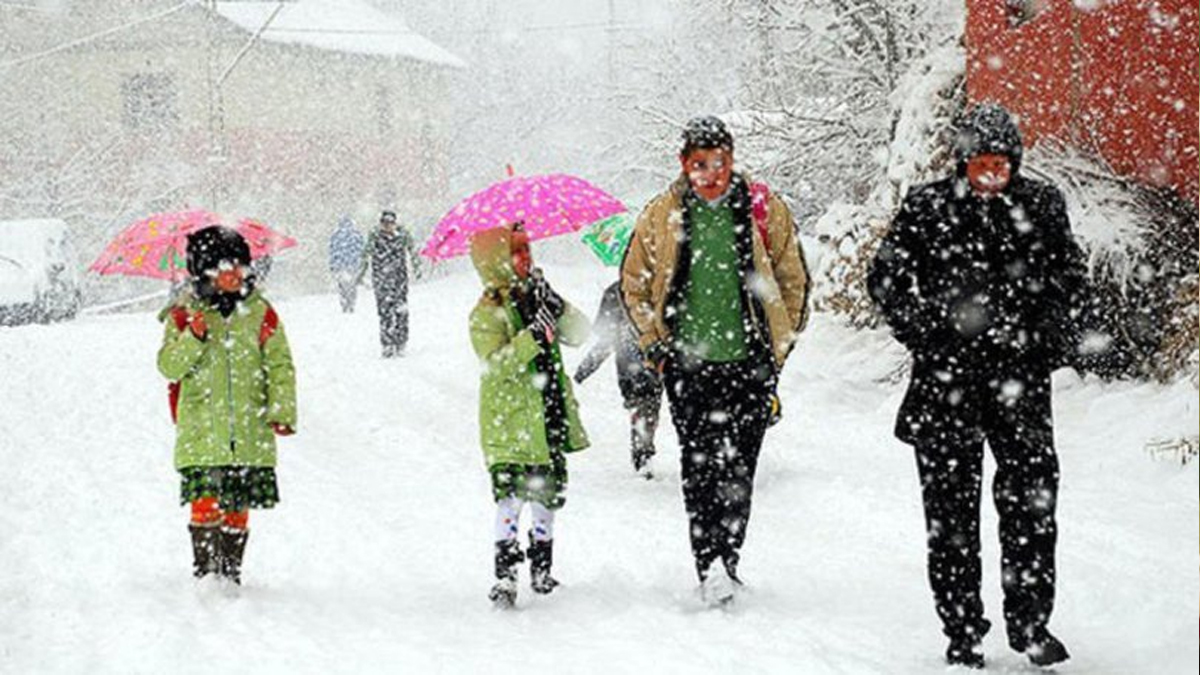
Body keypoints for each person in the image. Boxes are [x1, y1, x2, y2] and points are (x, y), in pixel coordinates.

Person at [867, 103, 1087, 669]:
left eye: (1002, 163)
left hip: (1021, 385)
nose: (992, 173)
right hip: (945, 387)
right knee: (950, 520)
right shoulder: (927, 206)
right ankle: (962, 629)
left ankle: (1032, 625)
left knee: (1032, 510)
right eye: (981, 162)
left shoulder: (1041, 205)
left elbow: (1071, 276)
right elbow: (887, 276)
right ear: (962, 162)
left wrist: (1047, 335)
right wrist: (924, 333)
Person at [620, 116, 810, 606]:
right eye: (699, 164)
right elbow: (634, 283)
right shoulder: (662, 214)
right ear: (684, 164)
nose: (710, 173)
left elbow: (793, 275)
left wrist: (777, 345)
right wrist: (655, 342)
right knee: (700, 466)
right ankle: (709, 563)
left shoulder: (762, 209)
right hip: (687, 366)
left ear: (732, 160)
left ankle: (730, 557)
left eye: (719, 162)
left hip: (748, 363)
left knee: (740, 468)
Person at [157, 225, 297, 586]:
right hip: (202, 431)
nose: (235, 274)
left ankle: (230, 571)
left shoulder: (260, 312)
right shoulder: (183, 315)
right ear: (204, 272)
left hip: (249, 428)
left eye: (240, 266)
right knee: (205, 500)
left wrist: (281, 410)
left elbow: (279, 364)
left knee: (237, 503)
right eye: (225, 267)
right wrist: (194, 336)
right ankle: (206, 572)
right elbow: (169, 366)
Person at [468, 222, 591, 608]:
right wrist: (531, 339)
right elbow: (495, 363)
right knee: (510, 497)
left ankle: (542, 568)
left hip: (547, 410)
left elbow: (580, 332)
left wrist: (555, 304)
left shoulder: (537, 297)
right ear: (496, 261)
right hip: (512, 420)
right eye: (515, 251)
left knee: (546, 495)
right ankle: (505, 574)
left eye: (527, 249)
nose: (526, 257)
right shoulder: (487, 313)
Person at [573, 280, 664, 478]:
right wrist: (585, 369)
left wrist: (585, 369)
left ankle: (643, 451)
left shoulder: (615, 292)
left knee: (643, 407)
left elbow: (605, 340)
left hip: (633, 365)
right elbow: (606, 340)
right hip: (649, 363)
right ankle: (643, 453)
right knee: (647, 407)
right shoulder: (657, 287)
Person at [358, 210, 413, 357]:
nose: (388, 226)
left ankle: (401, 342)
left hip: (399, 279)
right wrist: (360, 274)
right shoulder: (374, 236)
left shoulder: (403, 235)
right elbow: (365, 255)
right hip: (381, 279)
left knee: (401, 311)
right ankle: (387, 343)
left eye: (391, 223)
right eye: (385, 223)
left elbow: (413, 251)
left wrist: (417, 266)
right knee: (385, 312)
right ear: (381, 223)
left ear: (395, 223)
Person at [329, 215, 365, 313]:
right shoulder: (357, 235)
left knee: (342, 285)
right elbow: (361, 250)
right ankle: (351, 302)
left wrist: (333, 265)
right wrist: (361, 263)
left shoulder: (335, 235)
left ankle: (344, 303)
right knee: (352, 285)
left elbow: (332, 251)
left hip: (340, 265)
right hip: (353, 265)